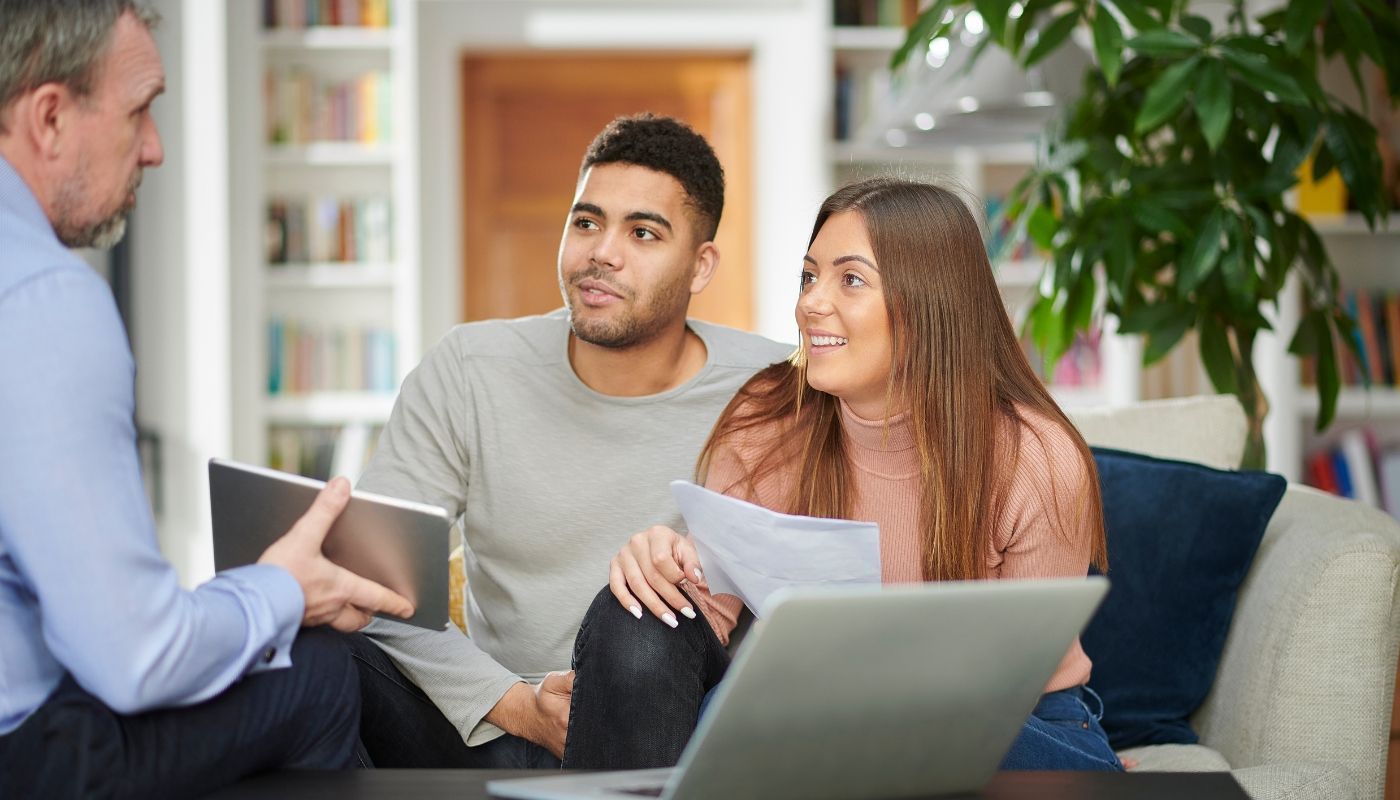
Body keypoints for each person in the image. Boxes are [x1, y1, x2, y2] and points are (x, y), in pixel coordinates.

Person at [565, 177, 1124, 773]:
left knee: (834, 718)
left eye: (849, 279)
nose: (810, 303)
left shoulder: (1035, 455)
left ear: (929, 302)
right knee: (639, 619)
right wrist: (663, 566)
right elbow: (713, 613)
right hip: (817, 712)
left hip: (1013, 720)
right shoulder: (768, 418)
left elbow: (1009, 685)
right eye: (809, 276)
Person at [0, 2, 415, 797]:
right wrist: (287, 588)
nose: (154, 149)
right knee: (322, 670)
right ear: (50, 117)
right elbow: (135, 659)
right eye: (141, 110)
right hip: (26, 758)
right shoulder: (47, 298)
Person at [346, 114, 792, 768]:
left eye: (642, 232)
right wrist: (514, 705)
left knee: (646, 629)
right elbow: (372, 585)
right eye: (586, 222)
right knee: (311, 645)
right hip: (496, 721)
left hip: (675, 723)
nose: (602, 252)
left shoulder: (772, 388)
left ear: (701, 267)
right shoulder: (470, 369)